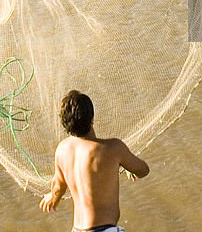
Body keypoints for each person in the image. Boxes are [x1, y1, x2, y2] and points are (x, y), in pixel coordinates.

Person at [39, 90, 150, 232]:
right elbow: (143, 170)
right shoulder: (113, 148)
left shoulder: (62, 150)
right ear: (92, 118)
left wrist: (53, 198)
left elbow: (58, 187)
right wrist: (126, 166)